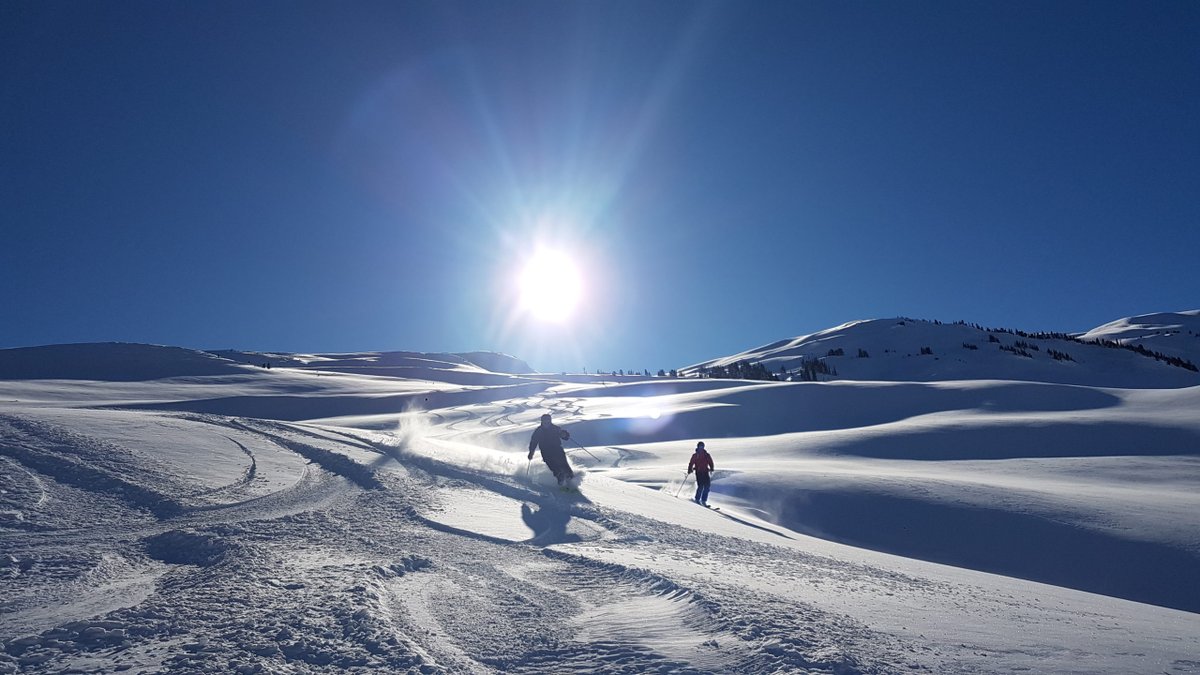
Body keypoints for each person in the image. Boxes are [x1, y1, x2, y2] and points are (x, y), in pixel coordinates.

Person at [528, 413, 574, 485]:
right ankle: (560, 479)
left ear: (550, 421)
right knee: (553, 465)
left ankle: (570, 479)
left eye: (548, 421)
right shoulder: (538, 431)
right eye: (545, 421)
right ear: (542, 421)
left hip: (557, 449)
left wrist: (565, 434)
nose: (546, 423)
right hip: (545, 451)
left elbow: (565, 437)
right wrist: (531, 452)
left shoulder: (555, 428)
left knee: (564, 464)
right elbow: (533, 441)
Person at [687, 441, 714, 505]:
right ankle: (697, 499)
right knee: (701, 486)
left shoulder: (707, 455)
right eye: (700, 446)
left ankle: (704, 500)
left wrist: (711, 467)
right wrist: (689, 469)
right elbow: (691, 463)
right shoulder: (695, 455)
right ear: (698, 447)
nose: (701, 448)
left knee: (707, 486)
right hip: (699, 472)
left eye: (702, 446)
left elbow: (710, 462)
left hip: (705, 472)